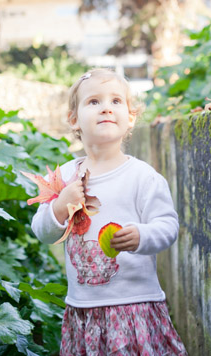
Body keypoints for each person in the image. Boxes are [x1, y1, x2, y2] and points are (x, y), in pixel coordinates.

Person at [31, 68, 187, 355]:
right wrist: (60, 204)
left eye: (116, 101)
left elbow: (168, 226)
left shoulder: (143, 177)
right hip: (84, 309)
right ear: (74, 119)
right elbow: (41, 230)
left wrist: (142, 235)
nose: (106, 107)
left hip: (136, 305)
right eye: (94, 102)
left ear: (130, 118)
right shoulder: (66, 176)